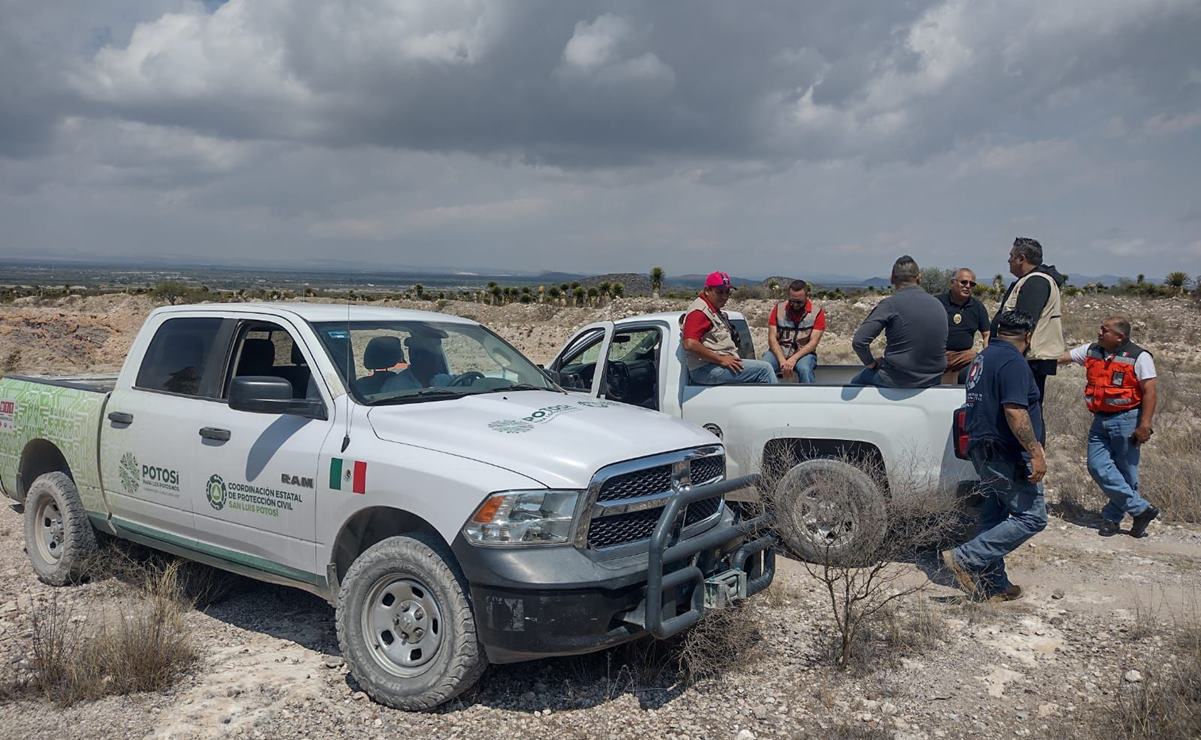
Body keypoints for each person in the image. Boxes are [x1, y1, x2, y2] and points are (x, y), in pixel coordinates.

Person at [943, 310, 1048, 601]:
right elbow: (1015, 411)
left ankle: (994, 584)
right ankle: (966, 557)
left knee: (995, 514)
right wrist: (1035, 452)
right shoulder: (1012, 362)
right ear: (1027, 337)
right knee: (1032, 517)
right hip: (1005, 452)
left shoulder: (983, 358)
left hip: (984, 449)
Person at [1058, 316, 1160, 537]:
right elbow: (1062, 358)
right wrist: (1033, 356)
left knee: (1127, 472)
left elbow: (1150, 391)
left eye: (1104, 330)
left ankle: (1113, 519)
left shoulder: (1139, 356)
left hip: (1127, 420)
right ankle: (1141, 509)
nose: (1099, 332)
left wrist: (1145, 424)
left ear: (1119, 336)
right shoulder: (1092, 350)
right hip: (1100, 419)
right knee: (1096, 465)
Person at [851, 255, 947, 387]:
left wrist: (871, 364)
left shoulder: (890, 304)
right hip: (933, 378)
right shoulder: (938, 304)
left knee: (855, 384)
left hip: (898, 378)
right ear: (919, 277)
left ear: (892, 278)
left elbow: (859, 342)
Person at [993, 237, 1066, 400]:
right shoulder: (1029, 280)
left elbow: (1023, 324)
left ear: (1021, 259)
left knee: (1022, 407)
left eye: (1011, 256)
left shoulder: (1036, 282)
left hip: (1028, 360)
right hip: (1024, 358)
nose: (1009, 260)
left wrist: (1008, 360)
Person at [681, 271, 776, 385]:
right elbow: (690, 343)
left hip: (714, 365)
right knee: (764, 370)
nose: (724, 297)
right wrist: (721, 359)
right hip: (705, 369)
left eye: (727, 292)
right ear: (707, 291)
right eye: (719, 292)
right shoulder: (699, 312)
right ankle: (777, 402)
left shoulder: (713, 311)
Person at [763, 279, 826, 383]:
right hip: (779, 350)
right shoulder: (778, 309)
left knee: (804, 369)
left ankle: (807, 396)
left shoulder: (817, 313)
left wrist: (793, 359)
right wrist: (782, 360)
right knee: (764, 367)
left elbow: (813, 342)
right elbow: (772, 338)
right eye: (792, 301)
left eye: (799, 302)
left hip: (803, 353)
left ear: (807, 296)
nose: (795, 305)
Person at [940, 268, 991, 383]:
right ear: (952, 283)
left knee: (982, 368)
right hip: (939, 354)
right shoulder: (938, 303)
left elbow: (986, 334)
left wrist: (987, 354)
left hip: (964, 356)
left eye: (972, 284)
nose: (967, 286)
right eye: (963, 282)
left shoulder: (977, 306)